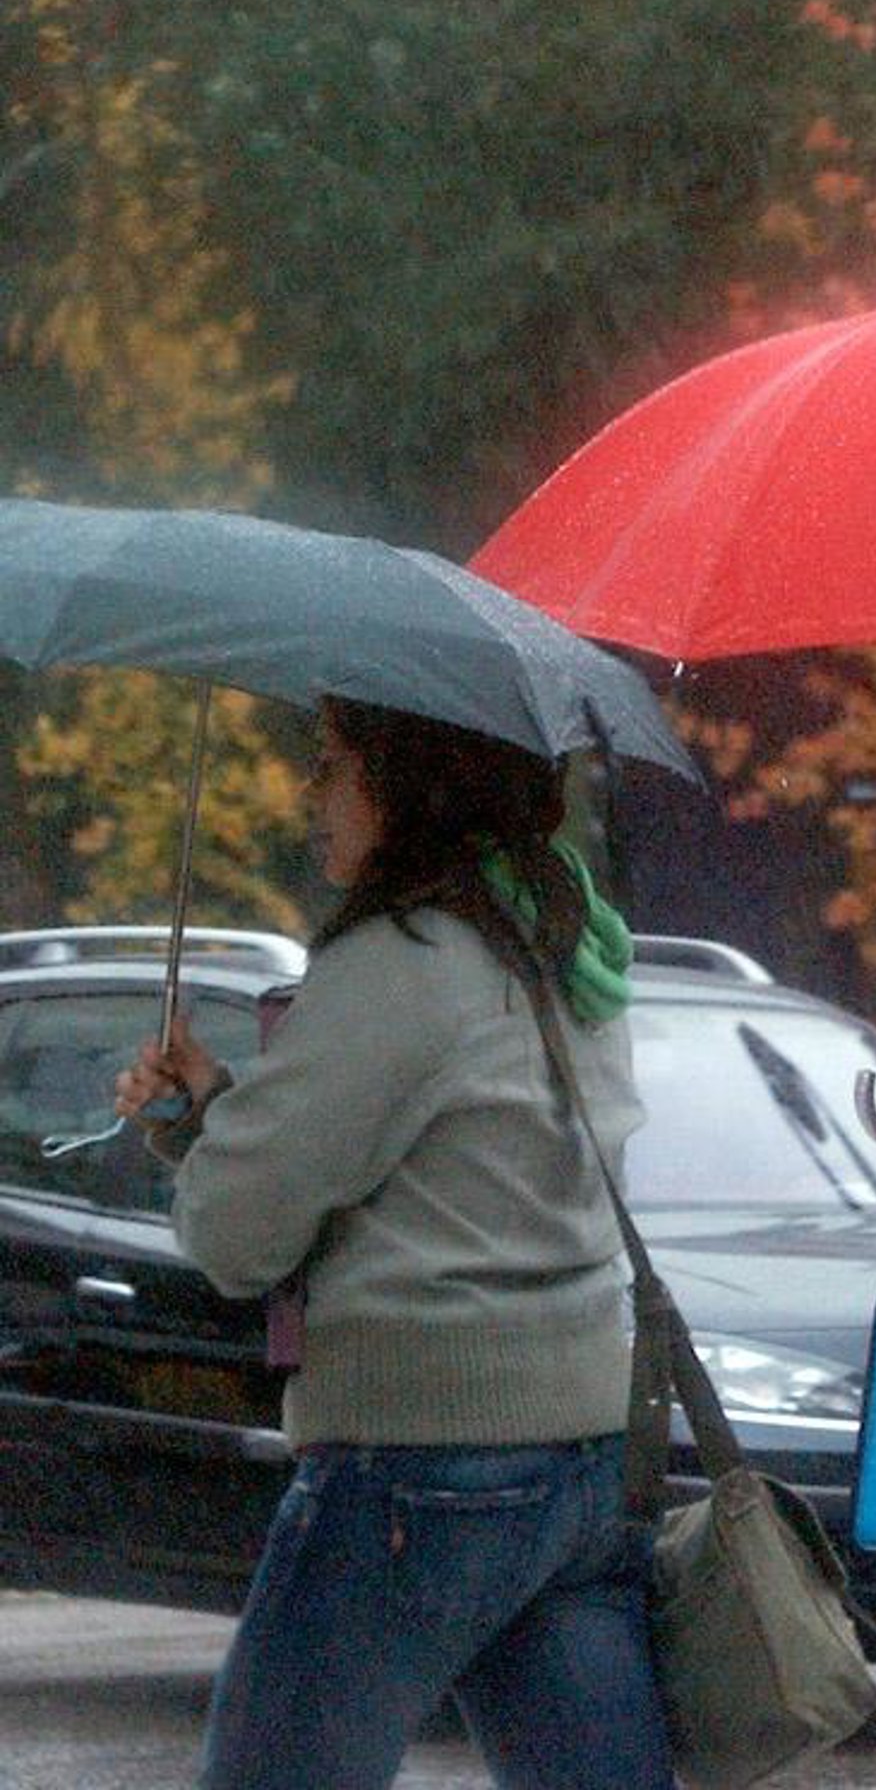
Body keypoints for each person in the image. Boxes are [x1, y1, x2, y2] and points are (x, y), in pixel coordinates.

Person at [114, 697, 669, 1790]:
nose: (309, 794)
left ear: (411, 779)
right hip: (585, 1457)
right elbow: (457, 1172)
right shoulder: (565, 939)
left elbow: (234, 1233)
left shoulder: (405, 957)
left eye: (332, 766)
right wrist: (217, 1109)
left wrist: (197, 1140)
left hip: (422, 1459)